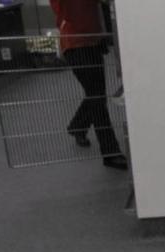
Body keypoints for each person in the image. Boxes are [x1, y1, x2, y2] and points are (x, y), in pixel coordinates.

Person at [50, 0, 127, 170]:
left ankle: (78, 126)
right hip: (77, 44)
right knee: (97, 97)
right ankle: (110, 152)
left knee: (96, 95)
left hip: (92, 41)